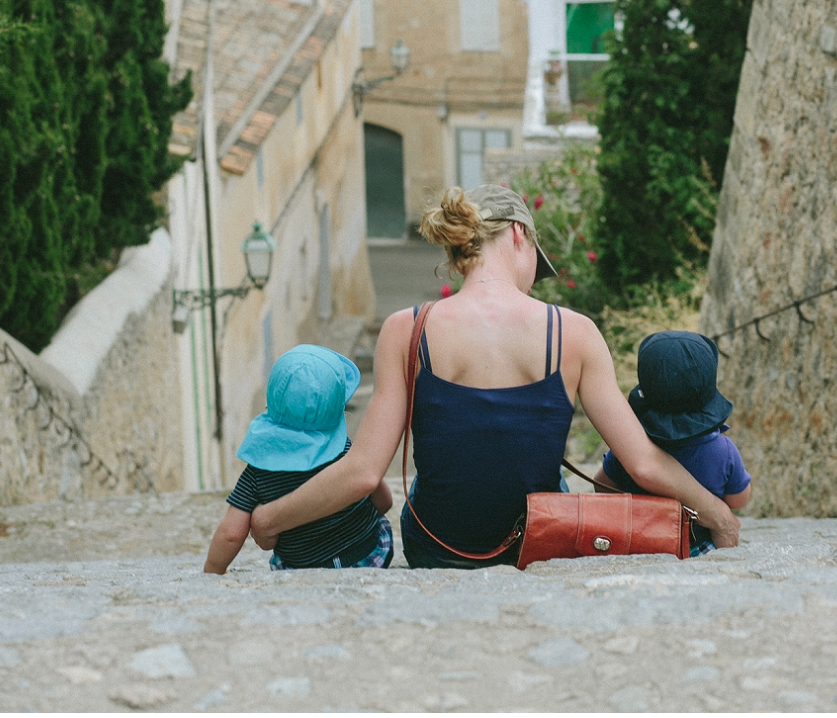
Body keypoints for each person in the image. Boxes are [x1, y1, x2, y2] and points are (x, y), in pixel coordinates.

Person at [248, 187, 741, 566]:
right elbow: (645, 463)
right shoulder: (573, 332)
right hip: (541, 543)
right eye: (535, 263)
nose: (534, 276)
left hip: (437, 548)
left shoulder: (407, 329)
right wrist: (717, 515)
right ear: (519, 235)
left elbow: (363, 473)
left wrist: (268, 518)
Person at [204, 344, 393, 574]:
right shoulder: (346, 451)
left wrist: (212, 570)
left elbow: (232, 534)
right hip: (367, 557)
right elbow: (384, 502)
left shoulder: (257, 472)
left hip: (301, 568)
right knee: (379, 526)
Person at [592, 330, 751, 555]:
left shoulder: (632, 449)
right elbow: (739, 499)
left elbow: (602, 485)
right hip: (697, 547)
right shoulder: (724, 450)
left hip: (640, 544)